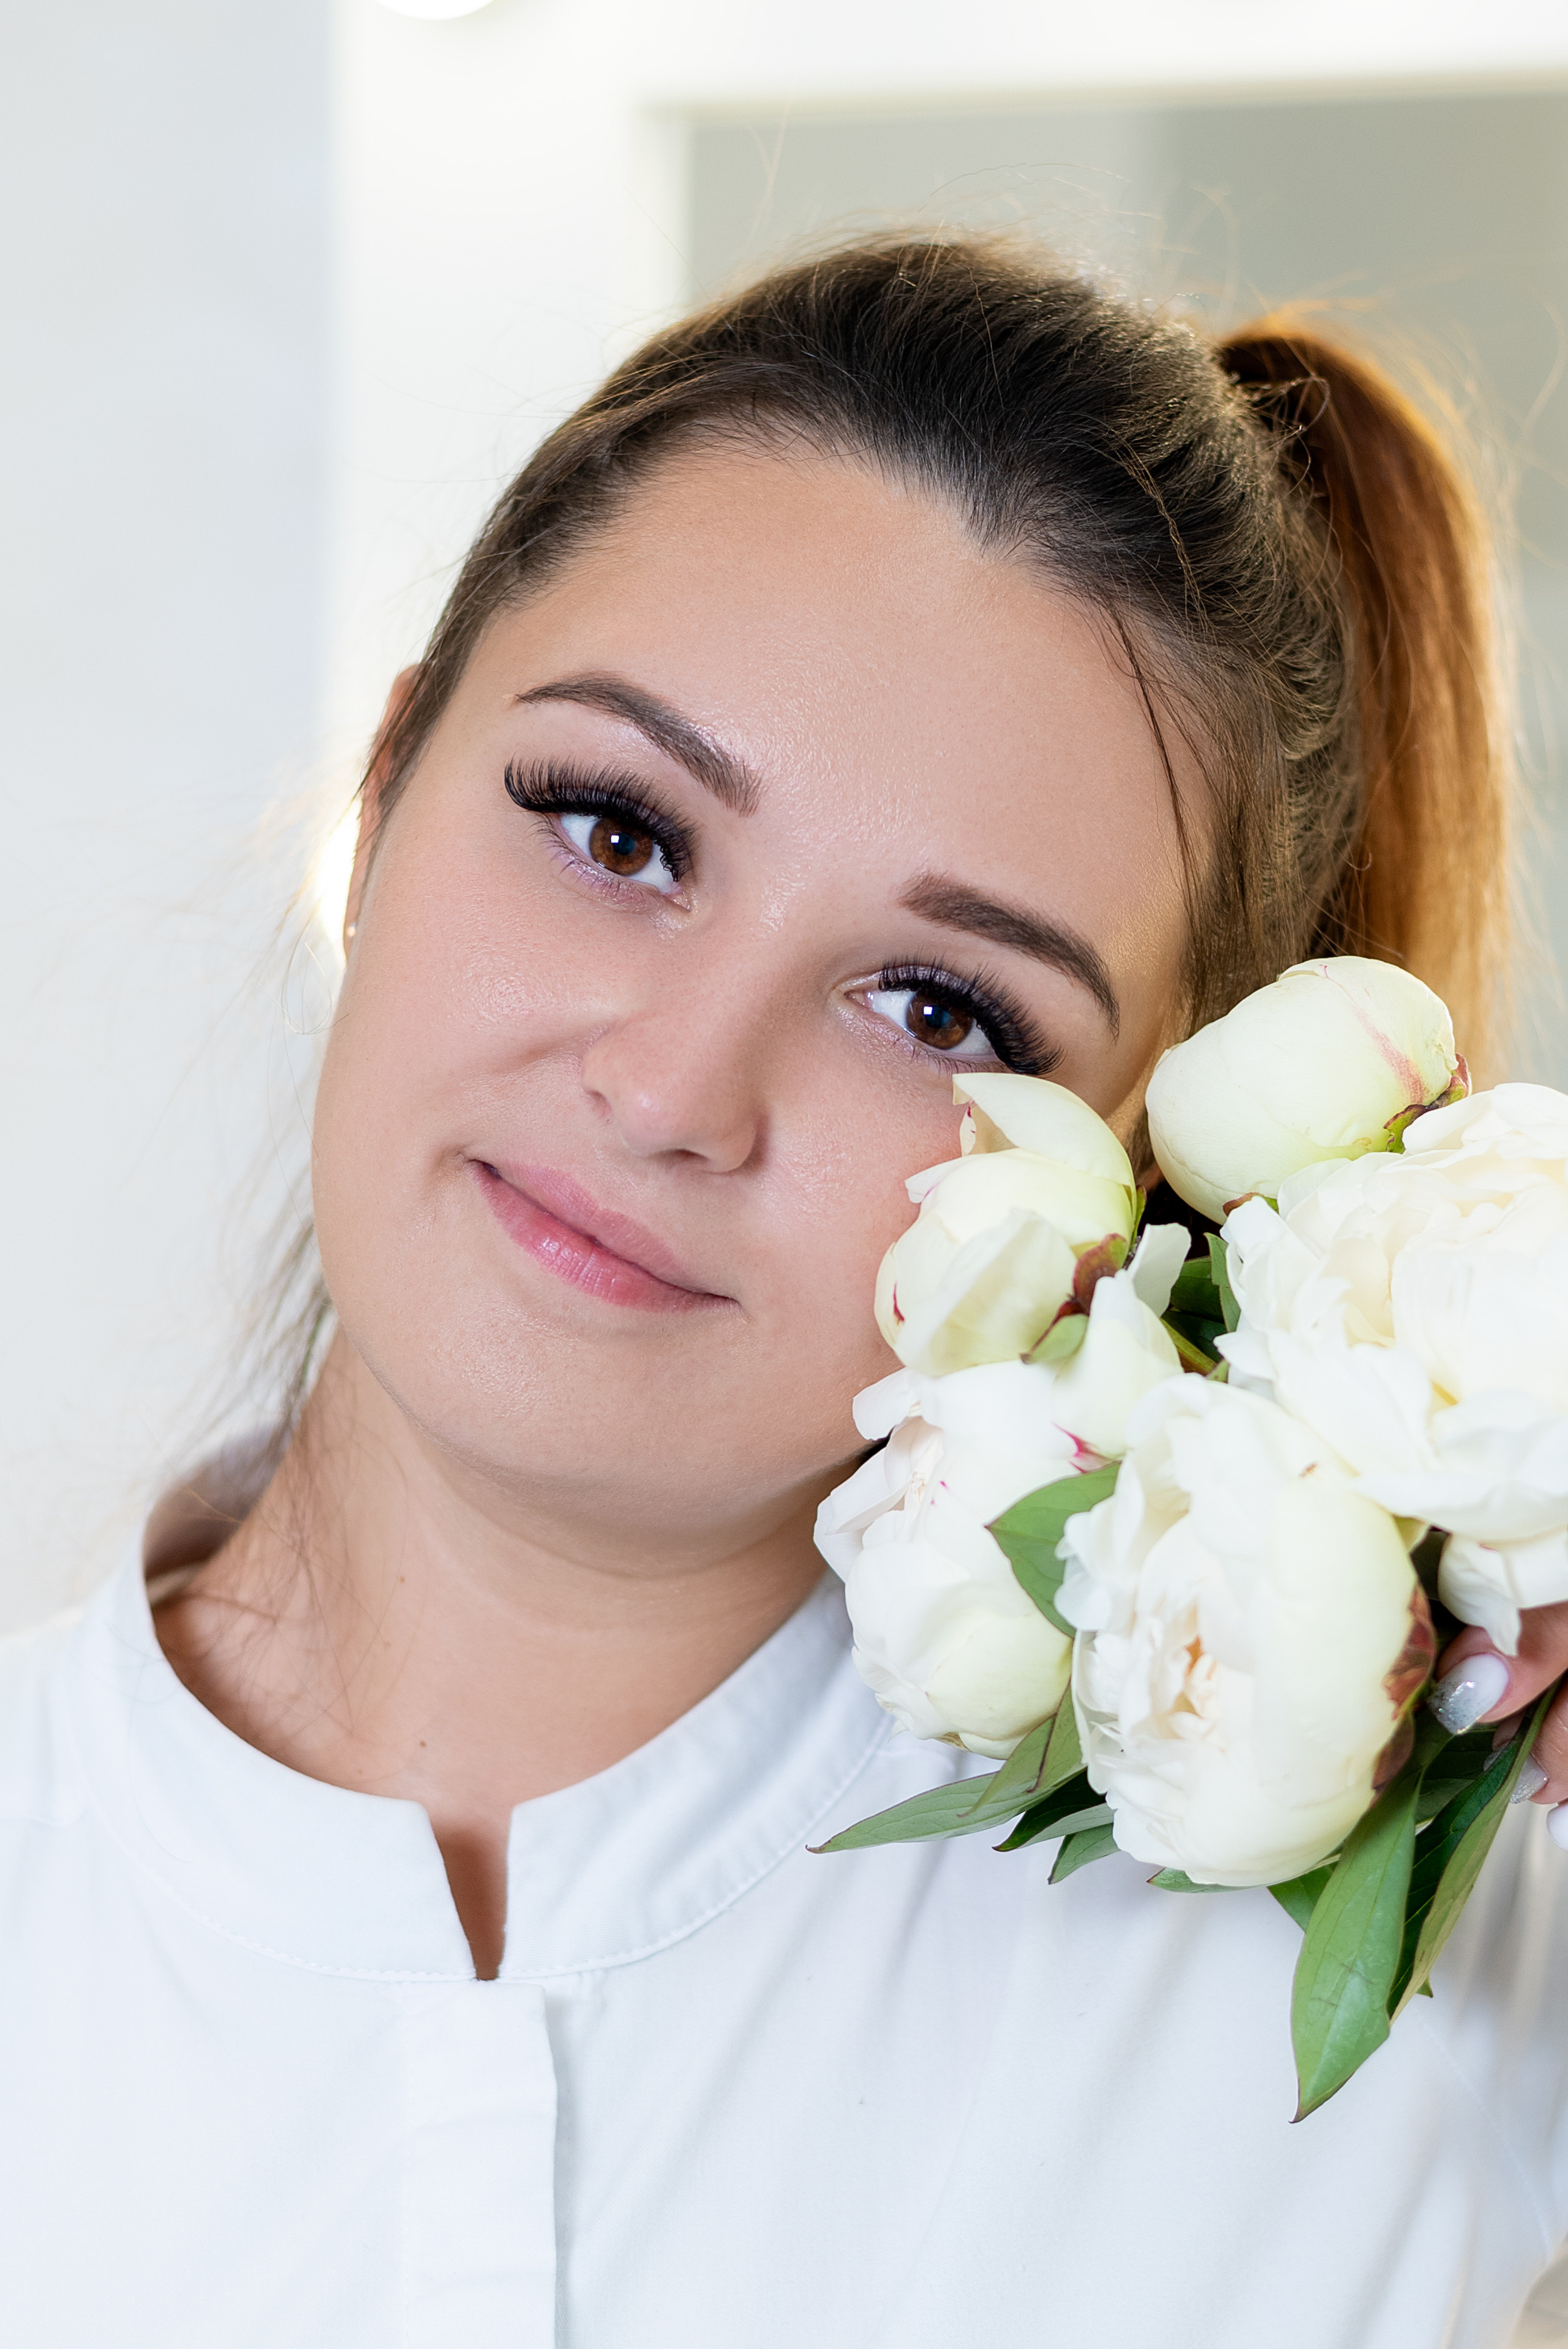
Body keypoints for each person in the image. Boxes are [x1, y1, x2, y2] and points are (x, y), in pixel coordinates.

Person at [1, 233, 1561, 2349]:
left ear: (1144, 1167)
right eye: (618, 830)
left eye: (936, 1004)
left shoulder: (1438, 1977)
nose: (668, 1089)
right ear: (377, 809)